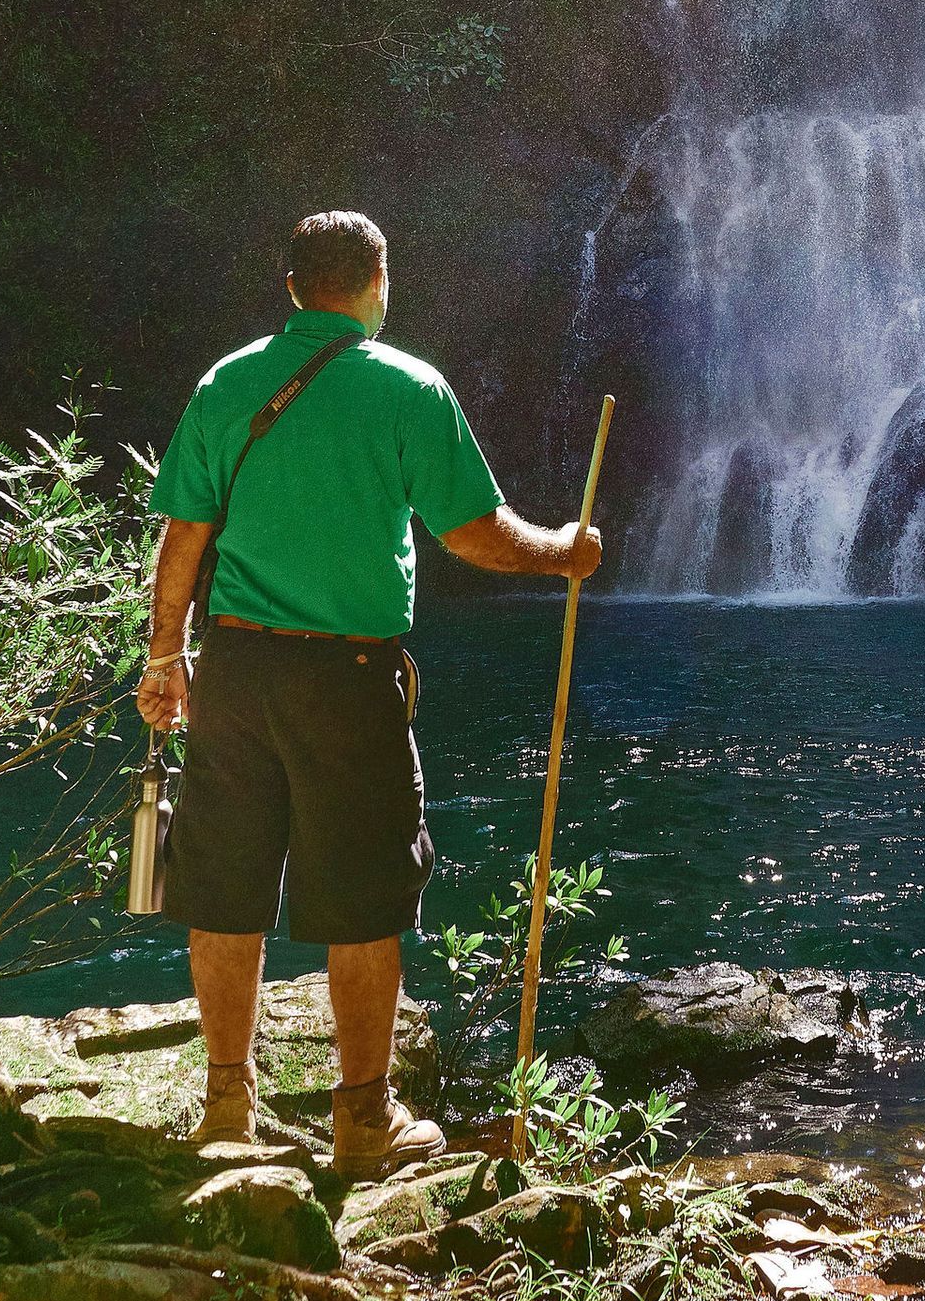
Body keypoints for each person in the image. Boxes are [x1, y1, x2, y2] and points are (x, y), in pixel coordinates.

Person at [136, 207, 601, 1177]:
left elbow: (183, 534)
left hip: (237, 669)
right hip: (349, 680)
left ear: (293, 286)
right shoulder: (408, 387)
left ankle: (227, 1107)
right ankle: (361, 1123)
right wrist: (563, 551)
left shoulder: (228, 382)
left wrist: (164, 657)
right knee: (363, 897)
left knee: (223, 887)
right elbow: (474, 534)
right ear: (378, 284)